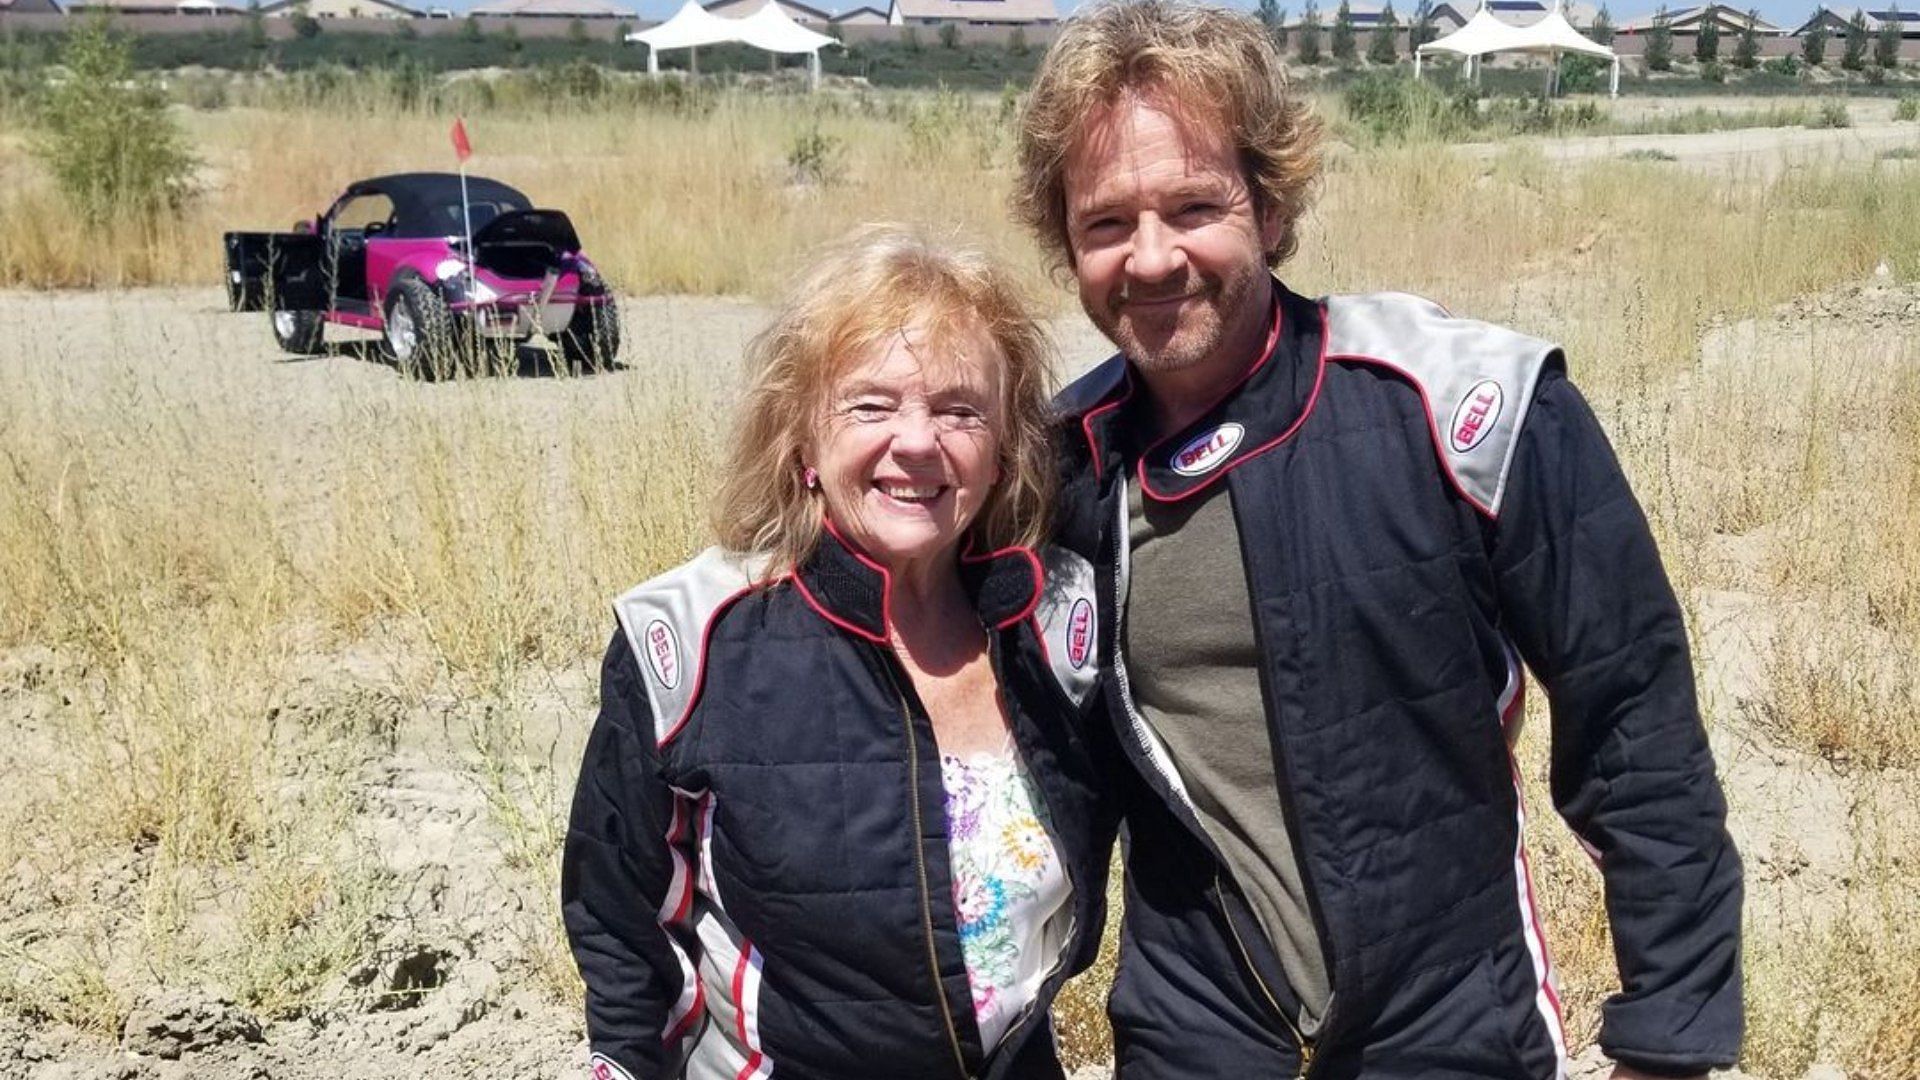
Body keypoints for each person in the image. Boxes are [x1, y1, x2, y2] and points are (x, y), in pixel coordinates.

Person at [1016, 3, 1744, 1078]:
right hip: (1196, 1021)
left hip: (1448, 1014)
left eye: (1194, 206)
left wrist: (1672, 1031)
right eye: (1107, 223)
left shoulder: (1464, 405)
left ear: (1267, 208)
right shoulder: (1058, 471)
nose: (1154, 257)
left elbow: (1633, 710)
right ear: (1067, 245)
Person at [562, 225, 1115, 1080]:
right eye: (871, 404)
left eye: (960, 408)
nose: (919, 441)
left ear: (1005, 450)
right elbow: (622, 927)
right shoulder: (692, 644)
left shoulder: (1057, 630)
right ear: (801, 442)